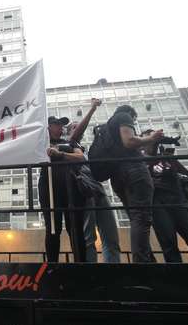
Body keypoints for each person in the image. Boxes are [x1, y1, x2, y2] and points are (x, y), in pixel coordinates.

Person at [107, 105, 163, 262]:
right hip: (134, 172)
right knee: (141, 217)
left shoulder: (108, 127)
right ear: (131, 114)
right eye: (135, 119)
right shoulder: (124, 116)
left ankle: (147, 259)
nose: (134, 121)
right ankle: (142, 264)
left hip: (117, 176)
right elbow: (129, 141)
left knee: (136, 217)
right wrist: (152, 138)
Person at [68, 98, 121, 263]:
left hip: (98, 189)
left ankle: (114, 271)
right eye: (74, 127)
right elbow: (76, 134)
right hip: (85, 191)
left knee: (111, 236)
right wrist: (92, 109)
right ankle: (91, 272)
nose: (79, 128)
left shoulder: (84, 150)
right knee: (89, 237)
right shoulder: (66, 144)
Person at [142, 129, 188, 262]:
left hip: (178, 201)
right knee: (168, 243)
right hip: (157, 204)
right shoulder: (138, 161)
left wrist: (180, 177)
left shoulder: (167, 157)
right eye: (148, 135)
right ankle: (177, 278)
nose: (153, 137)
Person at [38, 115, 87, 262]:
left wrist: (61, 154)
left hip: (71, 187)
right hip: (49, 187)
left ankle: (81, 264)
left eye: (61, 124)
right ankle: (52, 265)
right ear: (49, 126)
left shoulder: (70, 142)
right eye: (56, 124)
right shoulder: (41, 143)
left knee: (75, 228)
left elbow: (81, 158)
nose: (60, 127)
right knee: (53, 228)